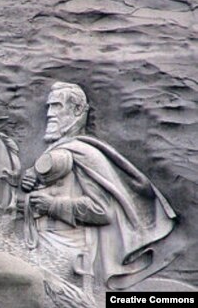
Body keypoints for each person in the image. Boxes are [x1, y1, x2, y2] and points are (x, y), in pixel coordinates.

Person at [20, 82, 176, 290]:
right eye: (49, 107)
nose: (49, 114)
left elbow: (102, 211)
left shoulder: (86, 154)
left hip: (67, 251)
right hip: (38, 241)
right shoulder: (58, 151)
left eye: (56, 106)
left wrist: (51, 206)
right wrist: (29, 183)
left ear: (76, 110)